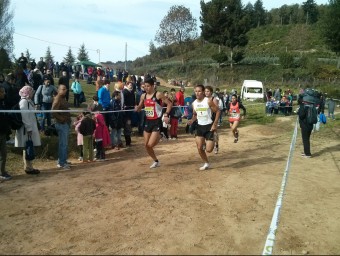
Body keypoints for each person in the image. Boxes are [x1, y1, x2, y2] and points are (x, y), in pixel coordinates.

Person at [134, 77, 173, 168]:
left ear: (152, 86)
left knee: (150, 144)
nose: (146, 88)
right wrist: (137, 108)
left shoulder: (158, 94)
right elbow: (140, 107)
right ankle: (156, 161)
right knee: (146, 145)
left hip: (156, 121)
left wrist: (166, 114)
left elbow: (169, 104)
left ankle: (161, 134)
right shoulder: (143, 96)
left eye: (148, 86)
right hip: (148, 121)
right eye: (144, 86)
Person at [187, 84, 220, 171]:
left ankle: (213, 138)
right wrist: (192, 120)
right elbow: (195, 115)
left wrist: (215, 124)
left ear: (203, 92)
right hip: (199, 127)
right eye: (196, 91)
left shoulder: (208, 101)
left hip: (209, 126)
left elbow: (217, 111)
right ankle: (206, 163)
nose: (197, 93)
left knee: (208, 150)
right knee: (199, 147)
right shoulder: (194, 103)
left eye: (199, 91)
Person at [15, 85, 41, 175]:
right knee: (28, 147)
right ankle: (28, 168)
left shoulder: (28, 101)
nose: (32, 94)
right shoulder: (24, 102)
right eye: (31, 92)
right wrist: (29, 128)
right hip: (26, 129)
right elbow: (24, 116)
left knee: (28, 147)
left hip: (29, 128)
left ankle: (29, 166)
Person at [52, 84, 72, 170]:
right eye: (63, 89)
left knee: (63, 144)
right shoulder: (58, 99)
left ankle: (62, 160)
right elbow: (53, 111)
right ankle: (62, 163)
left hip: (65, 123)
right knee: (63, 144)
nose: (65, 90)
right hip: (61, 124)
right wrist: (62, 119)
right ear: (58, 90)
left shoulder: (62, 98)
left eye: (65, 89)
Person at [0, 86, 12, 180]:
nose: (4, 93)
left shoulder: (3, 102)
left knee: (3, 154)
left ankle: (2, 172)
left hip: (3, 133)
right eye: (2, 92)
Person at [205, 86, 220, 154]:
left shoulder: (214, 99)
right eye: (205, 91)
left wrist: (215, 122)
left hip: (213, 118)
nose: (206, 93)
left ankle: (216, 146)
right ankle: (207, 144)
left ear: (211, 92)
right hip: (206, 118)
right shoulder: (204, 99)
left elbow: (217, 110)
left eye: (208, 91)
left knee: (214, 132)